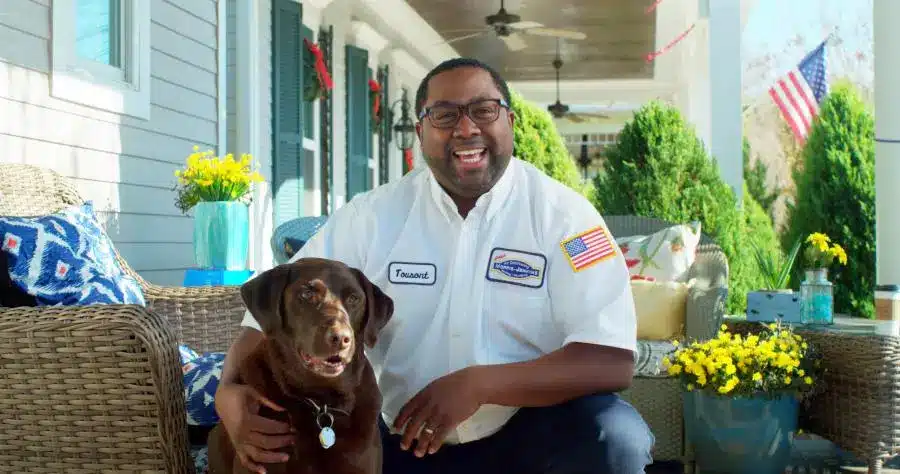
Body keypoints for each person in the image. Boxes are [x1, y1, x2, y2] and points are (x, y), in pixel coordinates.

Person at [214, 57, 654, 474]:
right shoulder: (371, 216)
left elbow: (610, 360)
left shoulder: (566, 218)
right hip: (398, 440)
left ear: (510, 122)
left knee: (615, 436)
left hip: (525, 438)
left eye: (483, 110)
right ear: (420, 133)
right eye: (444, 115)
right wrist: (227, 394)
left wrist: (481, 385)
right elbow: (268, 310)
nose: (466, 128)